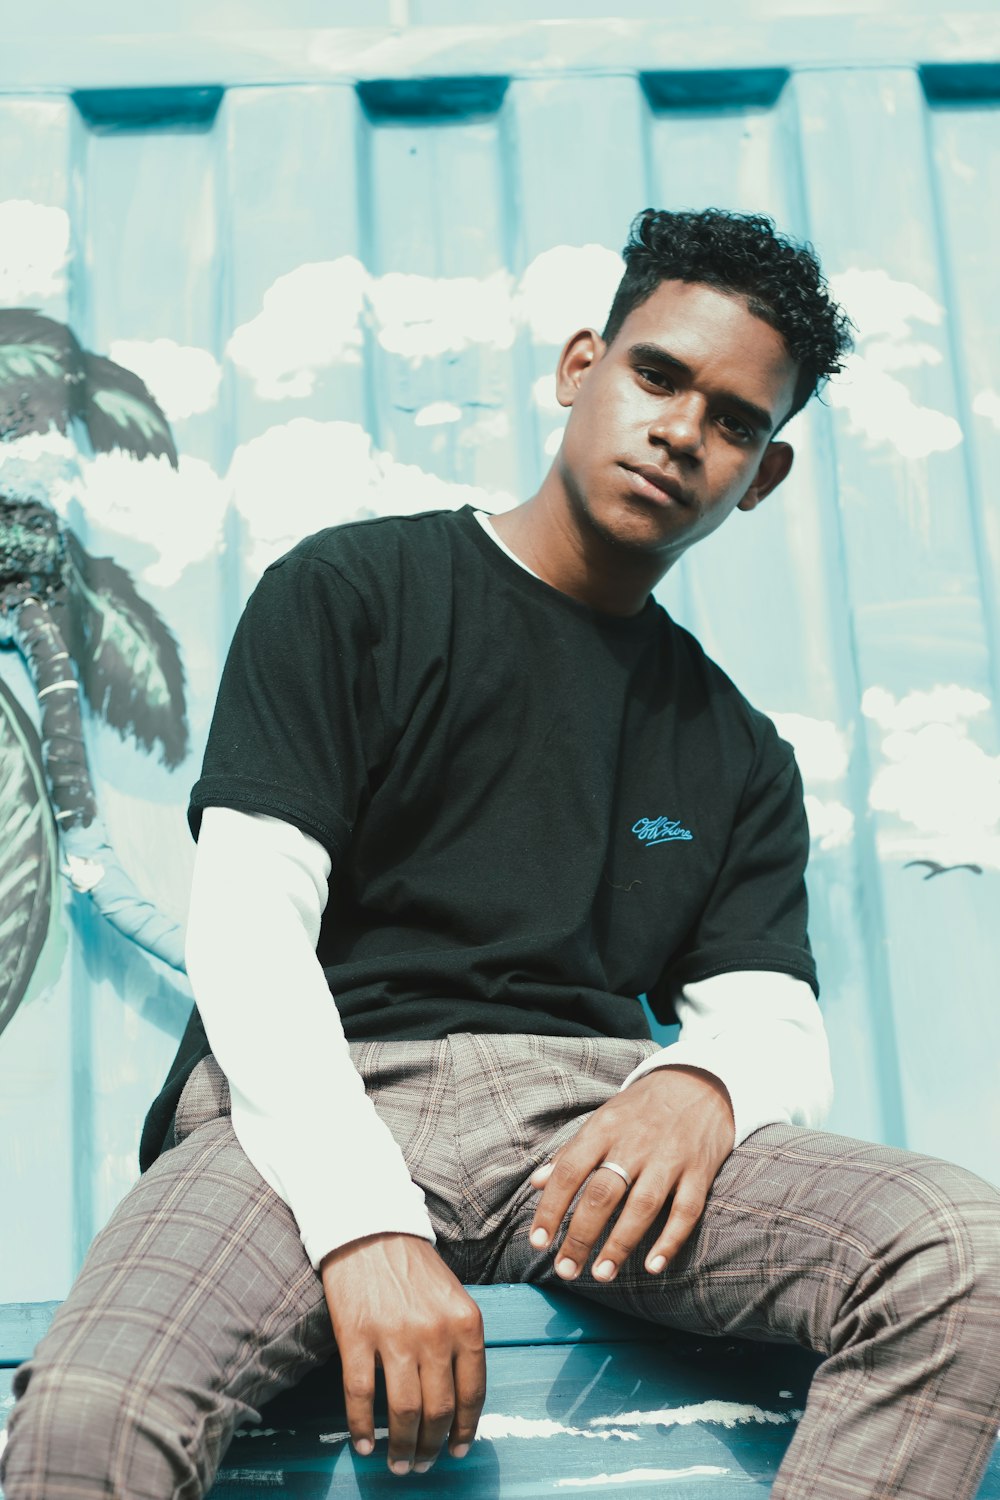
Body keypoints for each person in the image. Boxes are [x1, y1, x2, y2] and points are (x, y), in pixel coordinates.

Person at [3, 208, 998, 1500]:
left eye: (737, 421)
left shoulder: (738, 751)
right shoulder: (354, 596)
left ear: (765, 477)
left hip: (585, 1137)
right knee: (90, 1417)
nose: (685, 431)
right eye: (659, 375)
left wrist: (707, 1085)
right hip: (312, 1104)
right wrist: (365, 1226)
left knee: (959, 1257)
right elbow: (249, 934)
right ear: (582, 367)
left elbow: (769, 1018)